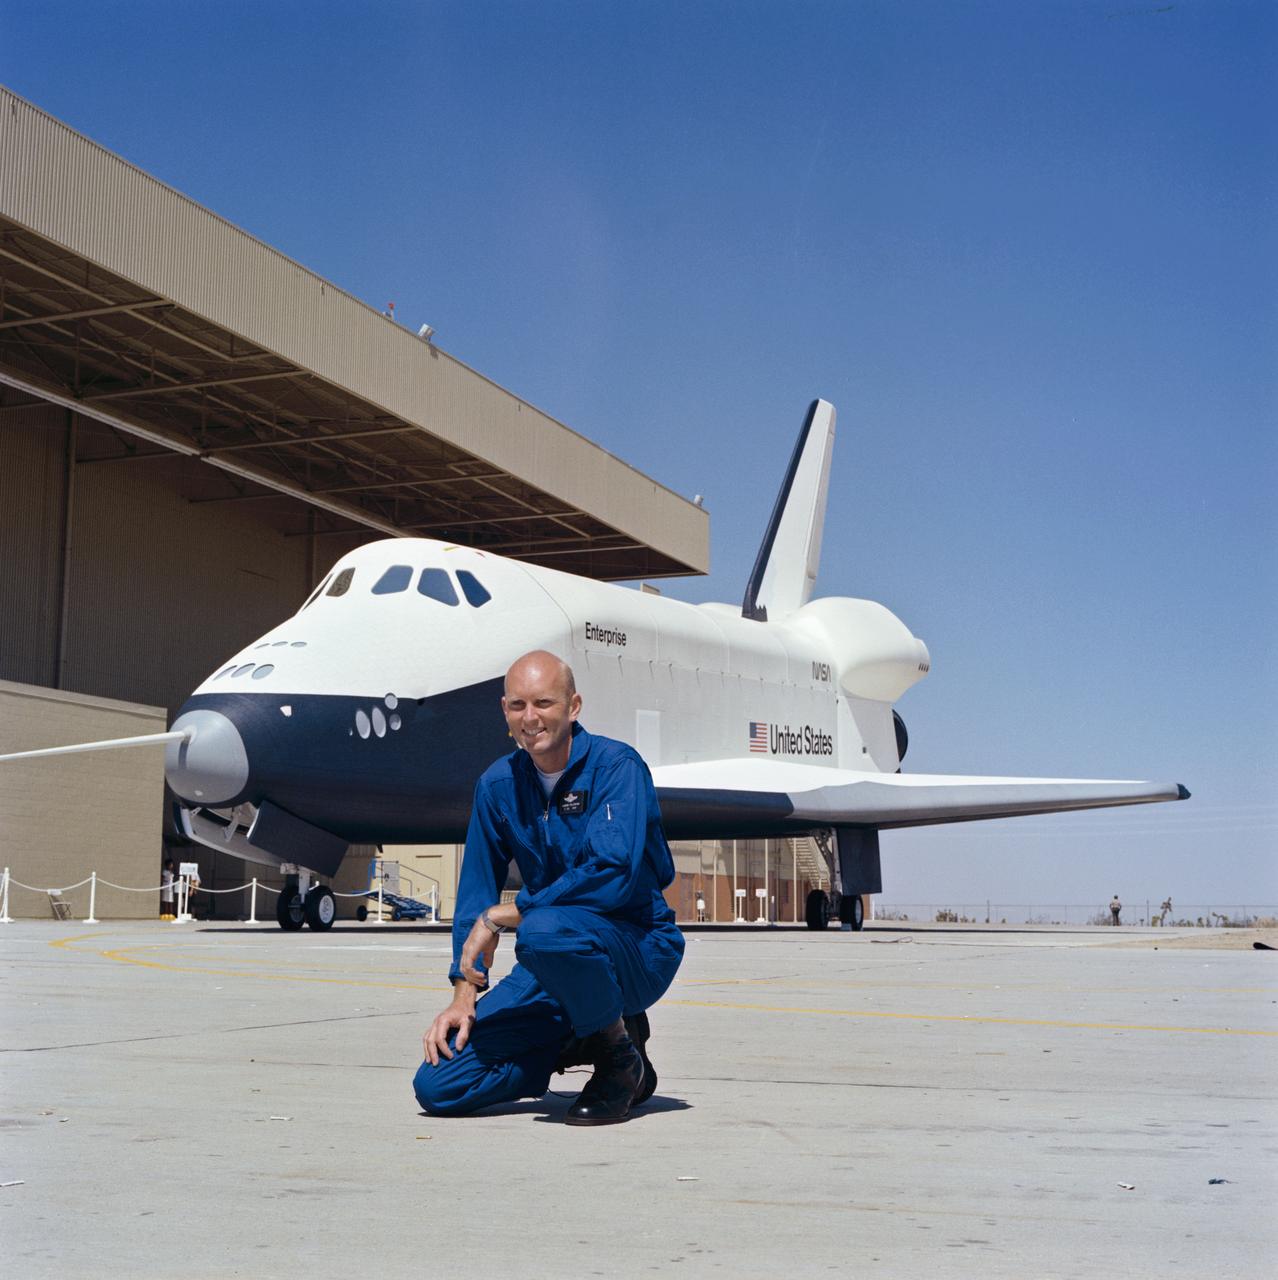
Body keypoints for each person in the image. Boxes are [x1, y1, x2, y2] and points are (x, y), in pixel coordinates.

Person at [415, 650, 684, 1126]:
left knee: (542, 930)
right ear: (504, 710)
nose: (531, 718)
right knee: (440, 1084)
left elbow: (613, 874)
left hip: (636, 946)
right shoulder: (497, 786)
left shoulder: (617, 768)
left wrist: (507, 915)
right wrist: (463, 992)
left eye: (544, 702)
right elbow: (476, 891)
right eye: (518, 705)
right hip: (552, 958)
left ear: (573, 706)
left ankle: (619, 1063)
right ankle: (595, 1032)